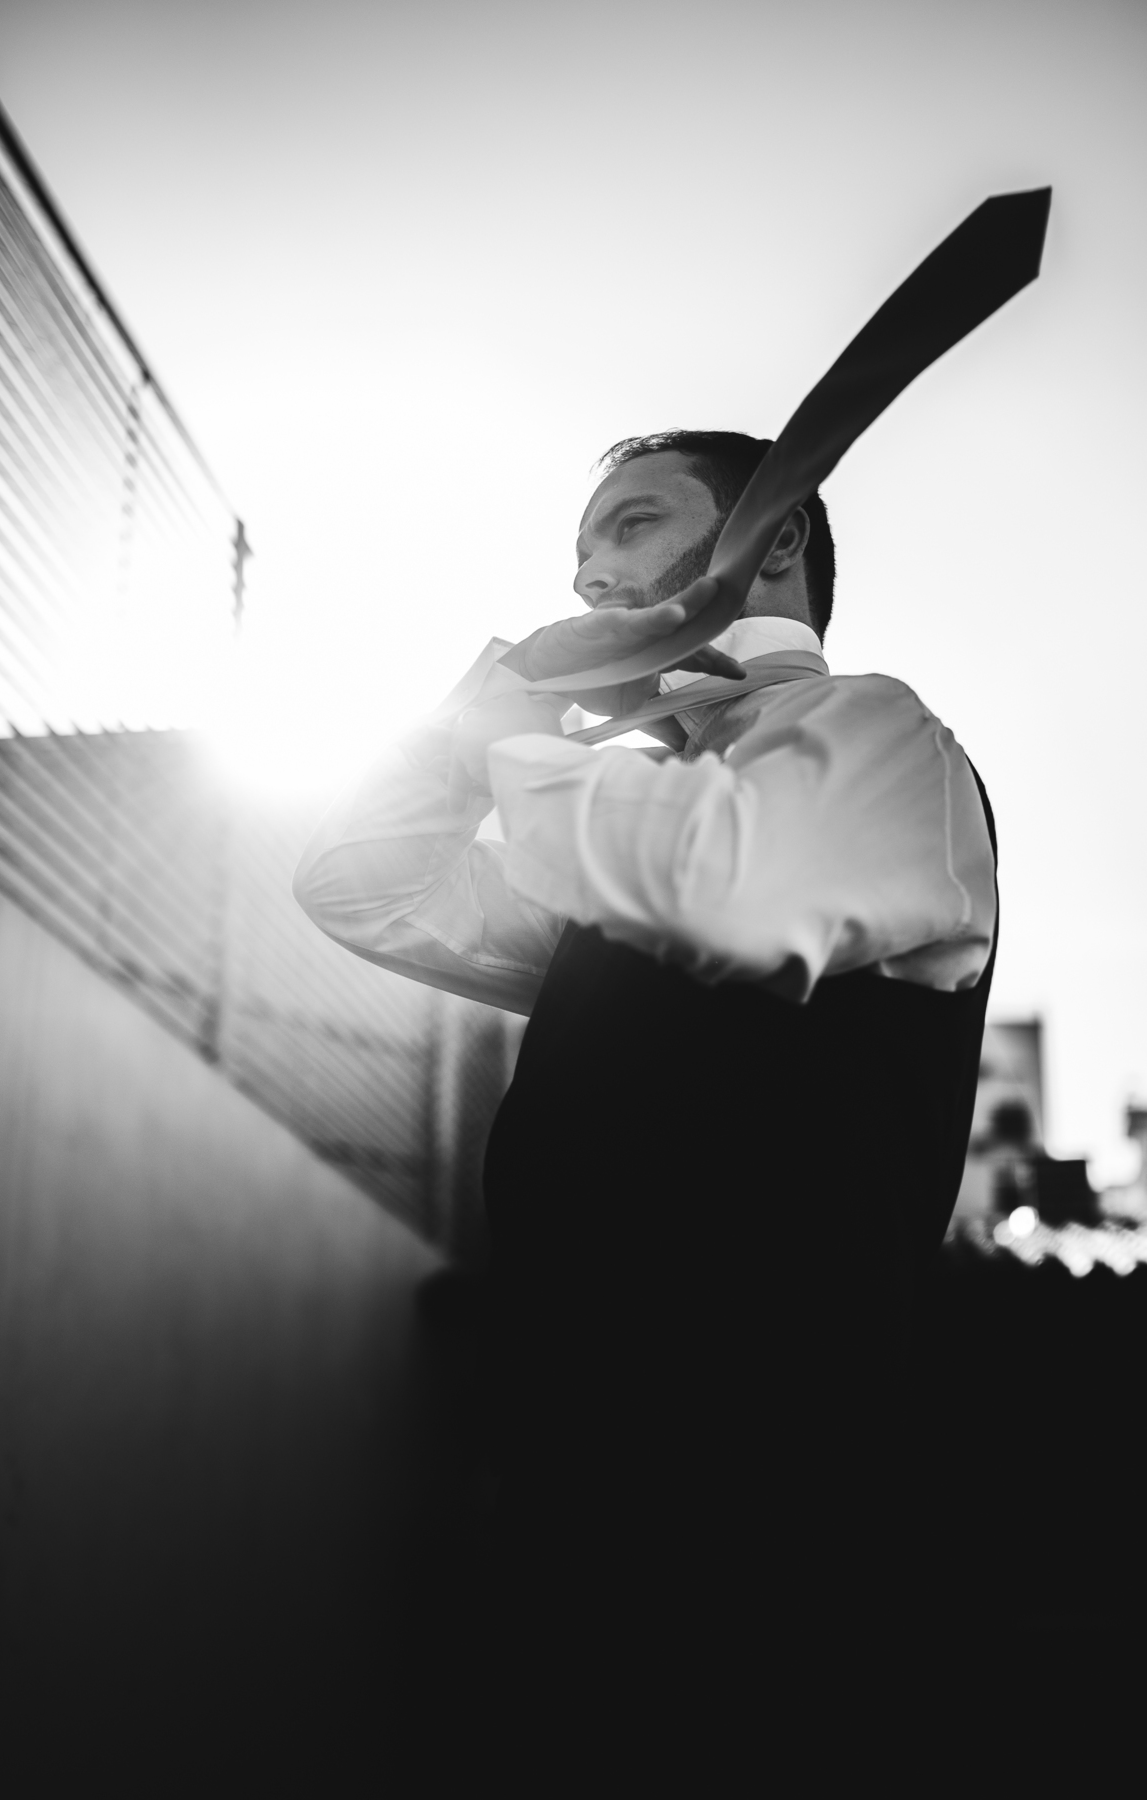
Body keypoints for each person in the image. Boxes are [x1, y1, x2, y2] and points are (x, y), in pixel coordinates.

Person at [294, 428, 998, 1727]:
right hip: (563, 1497)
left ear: (772, 541)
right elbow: (362, 887)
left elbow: (724, 890)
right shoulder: (623, 813)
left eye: (629, 527)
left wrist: (523, 745)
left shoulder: (881, 734)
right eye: (579, 555)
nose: (589, 580)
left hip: (774, 1533)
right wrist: (466, 741)